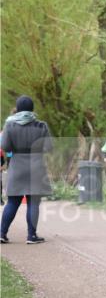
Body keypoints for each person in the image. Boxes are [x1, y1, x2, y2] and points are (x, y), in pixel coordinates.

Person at [0, 96, 52, 244]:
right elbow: (49, 147)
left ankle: (2, 234)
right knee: (33, 202)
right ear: (32, 108)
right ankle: (31, 236)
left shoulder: (10, 125)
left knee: (12, 202)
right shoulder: (41, 125)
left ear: (17, 108)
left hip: (17, 166)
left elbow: (5, 146)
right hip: (36, 166)